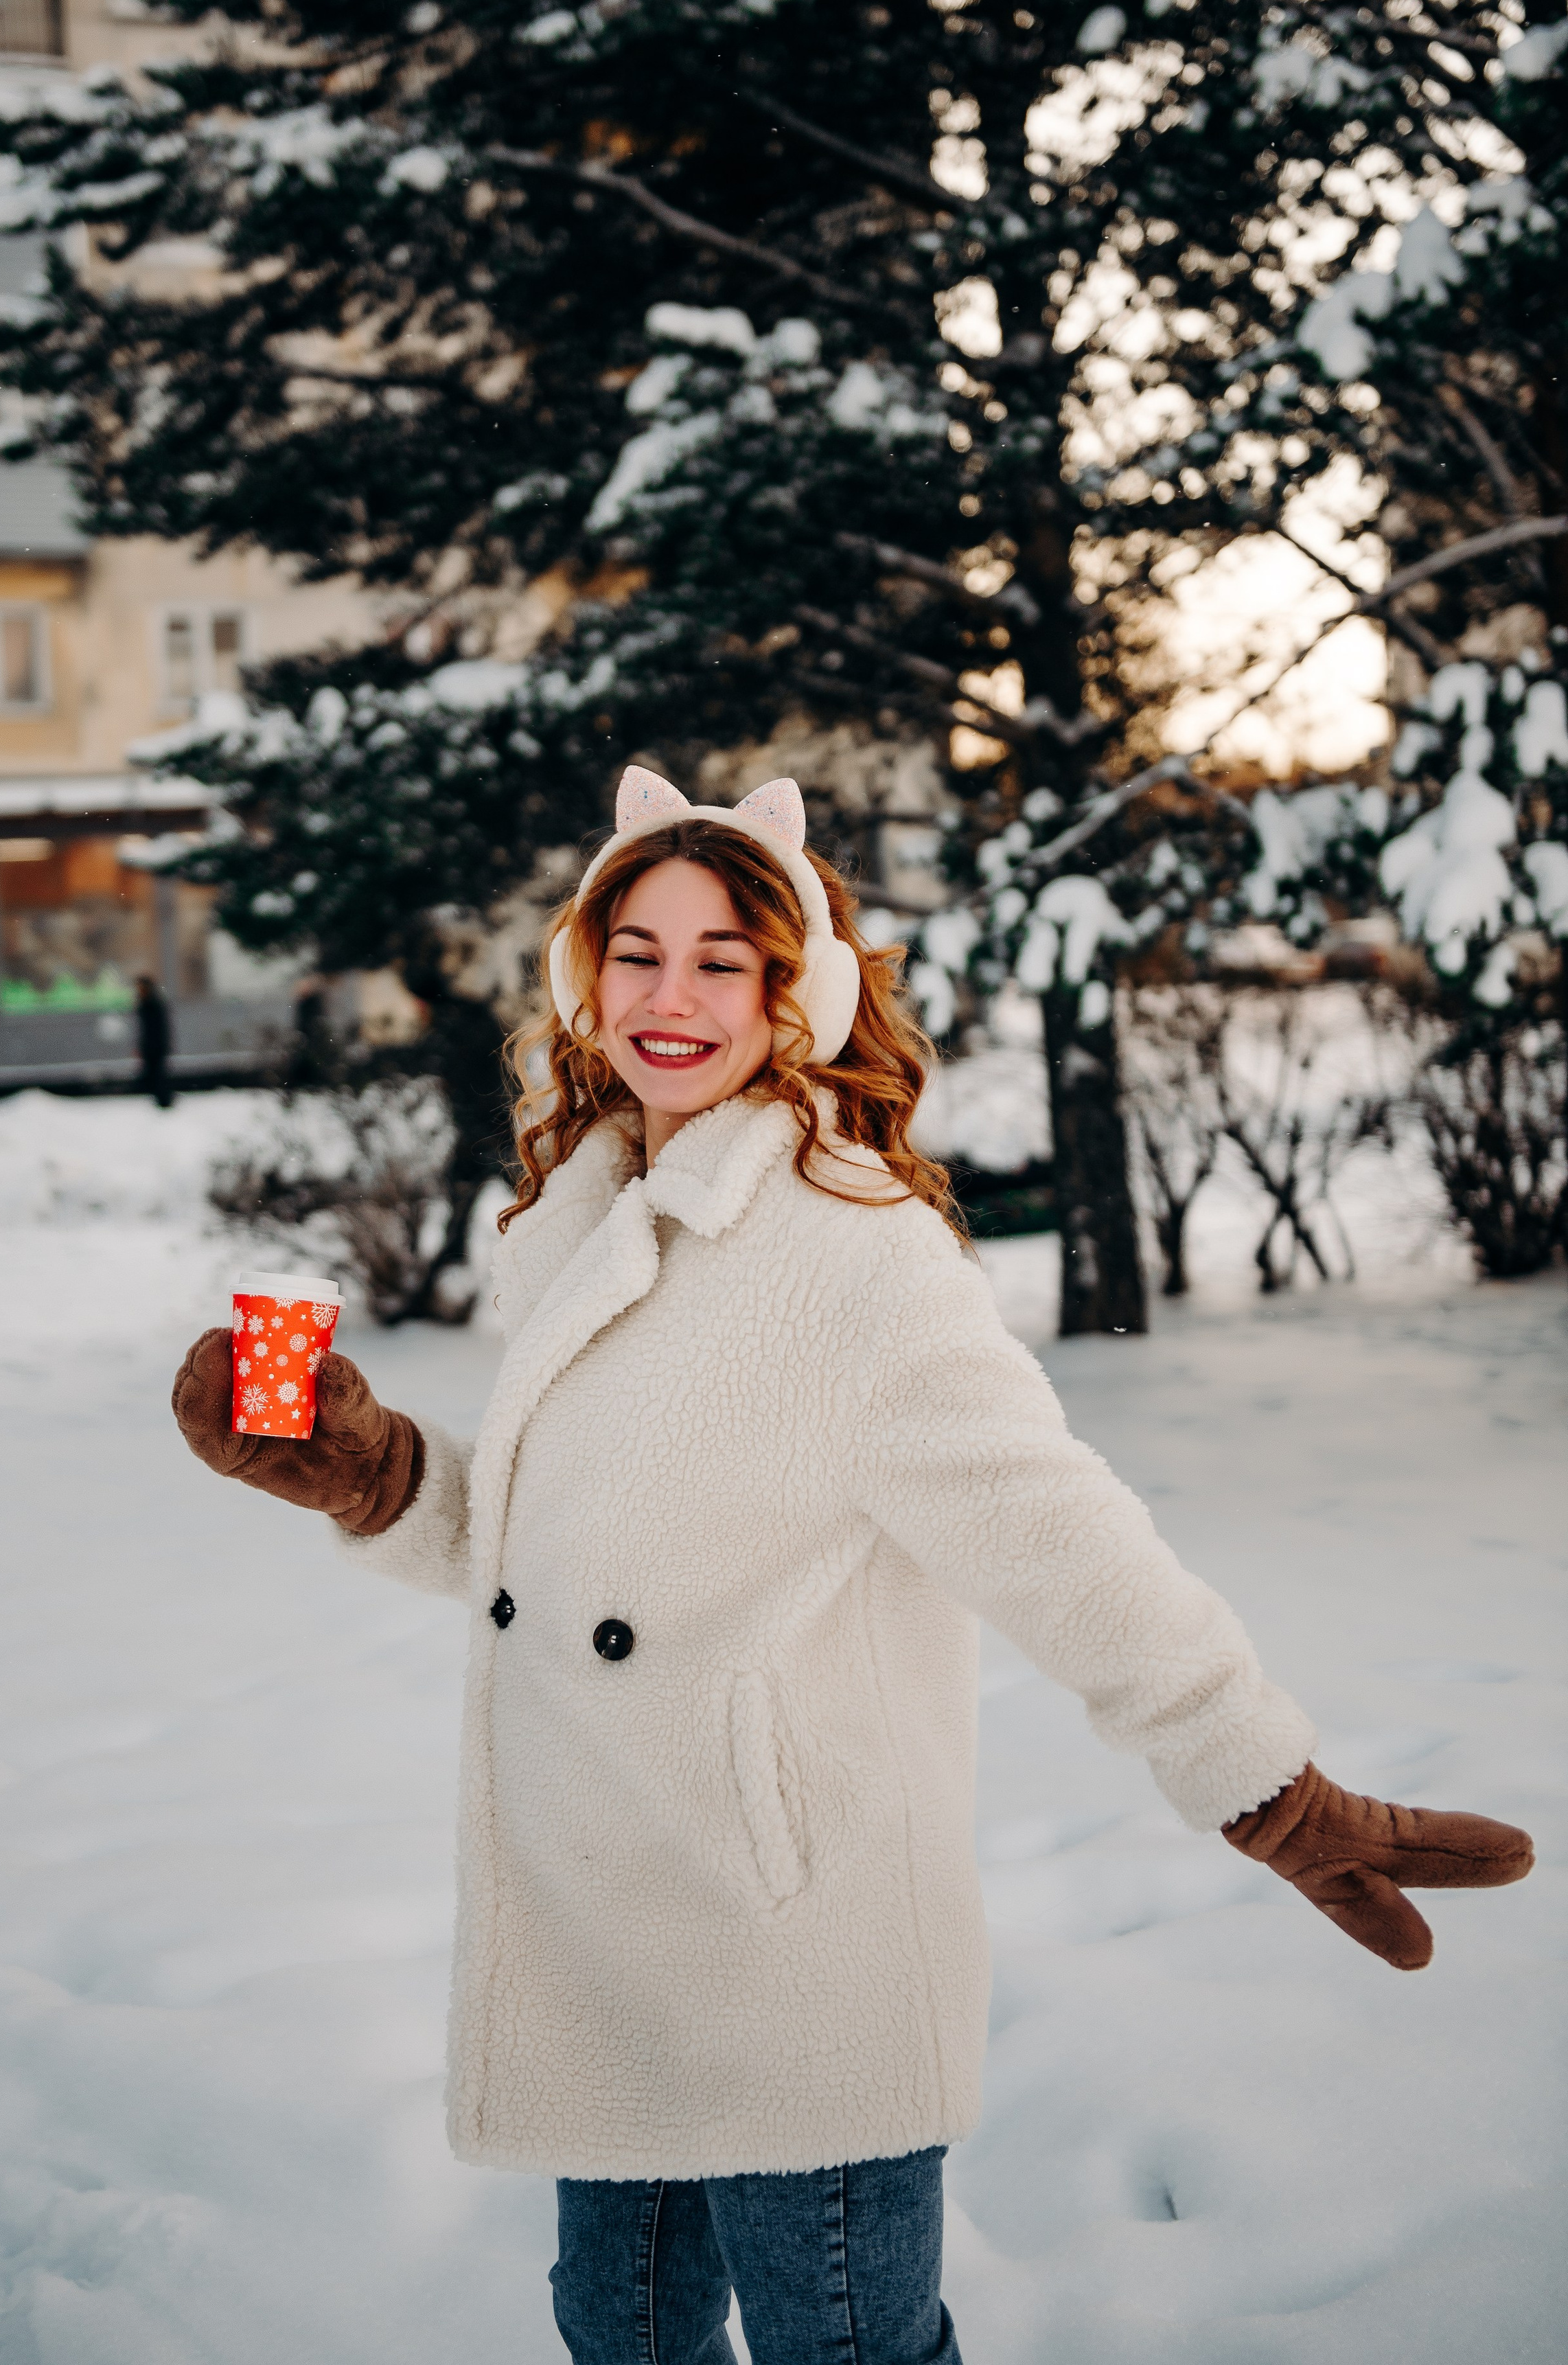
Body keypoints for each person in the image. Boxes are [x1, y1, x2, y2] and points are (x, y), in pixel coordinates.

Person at [170, 768, 1533, 2365]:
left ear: (788, 993)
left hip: (783, 1925)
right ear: (582, 971)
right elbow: (550, 1556)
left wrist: (1261, 1779)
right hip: (603, 1911)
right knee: (614, 2326)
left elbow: (1055, 1532)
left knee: (843, 2343)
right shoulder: (576, 1212)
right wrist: (376, 1471)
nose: (667, 995)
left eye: (719, 959)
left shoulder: (850, 1246)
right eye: (635, 947)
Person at [134, 972, 174, 1108]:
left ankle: (164, 1101)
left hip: (155, 1046)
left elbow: (155, 1028)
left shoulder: (152, 1004)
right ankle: (162, 1100)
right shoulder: (150, 1003)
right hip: (153, 1046)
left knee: (158, 1075)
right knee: (156, 1075)